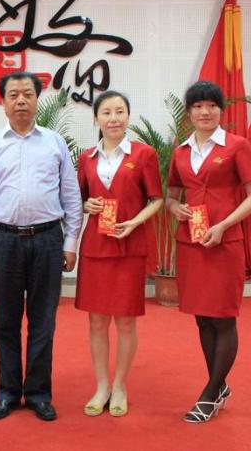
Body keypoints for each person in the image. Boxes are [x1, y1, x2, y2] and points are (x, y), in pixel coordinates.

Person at [0, 71, 82, 421]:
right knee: (5, 322)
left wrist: (70, 242)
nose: (20, 101)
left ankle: (38, 393)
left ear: (36, 100)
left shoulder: (54, 143)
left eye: (27, 94)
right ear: (2, 102)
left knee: (43, 321)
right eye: (13, 95)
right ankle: (6, 392)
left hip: (48, 240)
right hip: (4, 241)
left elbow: (71, 196)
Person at [166, 81, 251, 423]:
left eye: (211, 105)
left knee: (223, 317)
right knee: (202, 317)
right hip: (191, 243)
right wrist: (175, 208)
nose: (204, 112)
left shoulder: (237, 146)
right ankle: (218, 386)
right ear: (189, 113)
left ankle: (209, 392)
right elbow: (171, 195)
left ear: (221, 110)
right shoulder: (180, 152)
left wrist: (223, 225)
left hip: (225, 243)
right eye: (197, 106)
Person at [75, 91, 163, 417]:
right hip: (95, 248)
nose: (114, 118)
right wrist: (87, 205)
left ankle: (121, 385)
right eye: (107, 112)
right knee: (97, 321)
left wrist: (134, 222)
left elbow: (156, 198)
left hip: (129, 246)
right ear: (96, 118)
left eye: (120, 111)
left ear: (128, 116)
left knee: (126, 321)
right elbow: (79, 200)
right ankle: (102, 386)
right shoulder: (86, 158)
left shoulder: (144, 154)